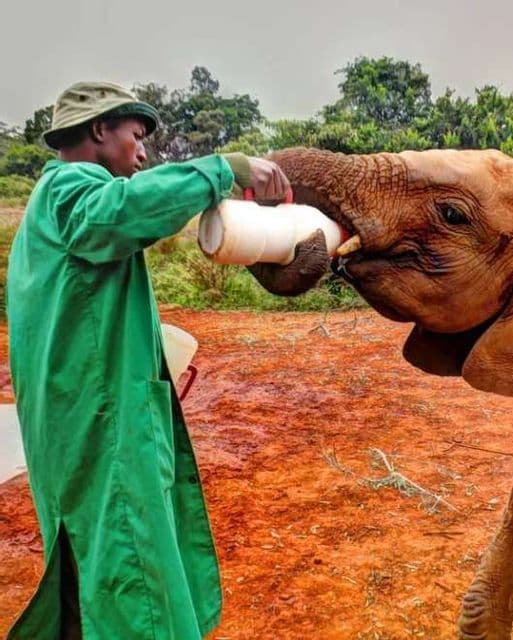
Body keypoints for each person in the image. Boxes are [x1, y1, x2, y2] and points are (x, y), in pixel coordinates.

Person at [5, 82, 329, 639]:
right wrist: (224, 170)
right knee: (134, 571)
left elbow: (80, 313)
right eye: (136, 135)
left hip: (76, 416)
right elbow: (121, 210)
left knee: (96, 558)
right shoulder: (71, 190)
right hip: (101, 425)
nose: (143, 151)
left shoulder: (44, 212)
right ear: (100, 129)